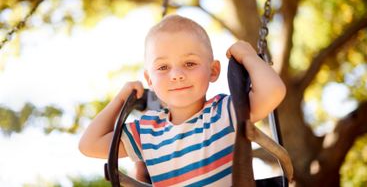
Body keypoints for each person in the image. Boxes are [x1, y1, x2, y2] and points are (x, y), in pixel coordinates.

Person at [79, 14, 286, 186]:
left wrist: (248, 56)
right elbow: (89, 145)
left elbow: (273, 91)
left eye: (189, 63)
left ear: (213, 71)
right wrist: (121, 99)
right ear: (149, 79)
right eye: (163, 67)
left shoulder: (225, 112)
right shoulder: (147, 133)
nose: (176, 74)